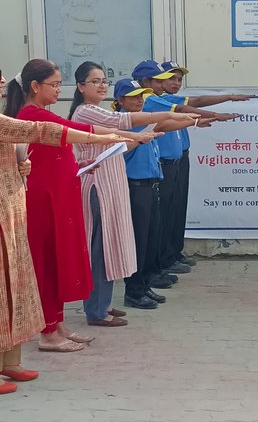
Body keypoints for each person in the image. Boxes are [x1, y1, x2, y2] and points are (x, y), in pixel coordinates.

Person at [1, 65, 129, 370]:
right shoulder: (28, 115)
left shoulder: (13, 119)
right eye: (54, 85)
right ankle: (45, 332)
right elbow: (53, 132)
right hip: (36, 200)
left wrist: (21, 164)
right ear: (34, 86)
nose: (59, 91)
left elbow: (30, 146)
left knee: (54, 261)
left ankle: (53, 326)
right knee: (41, 265)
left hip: (43, 196)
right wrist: (116, 135)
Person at [68, 62, 202, 325]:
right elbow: (121, 123)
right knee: (100, 250)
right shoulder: (86, 112)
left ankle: (101, 305)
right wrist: (166, 117)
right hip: (99, 187)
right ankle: (96, 310)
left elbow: (129, 133)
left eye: (103, 81)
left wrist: (186, 121)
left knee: (111, 248)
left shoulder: (95, 111)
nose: (100, 85)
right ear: (81, 87)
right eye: (94, 81)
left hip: (111, 186)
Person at [132, 60, 252, 279]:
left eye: (177, 79)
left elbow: (190, 105)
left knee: (176, 211)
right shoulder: (149, 100)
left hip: (177, 161)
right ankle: (162, 260)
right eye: (164, 80)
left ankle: (172, 254)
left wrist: (219, 106)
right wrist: (217, 112)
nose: (171, 84)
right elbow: (188, 106)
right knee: (164, 216)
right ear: (145, 82)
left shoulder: (160, 98)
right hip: (163, 164)